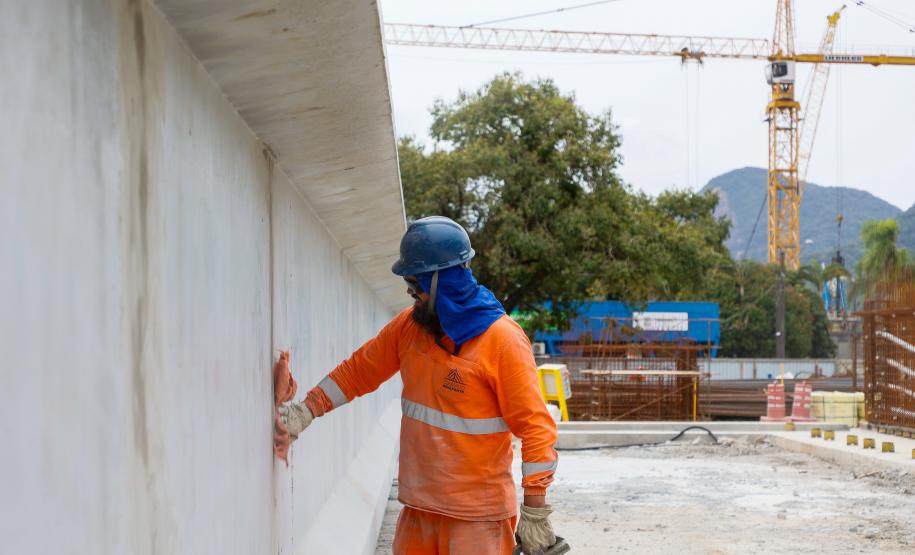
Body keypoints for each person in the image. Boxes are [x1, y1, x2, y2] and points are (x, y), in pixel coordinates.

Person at [279, 216, 559, 555]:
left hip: (476, 518)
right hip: (419, 510)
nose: (410, 292)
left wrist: (535, 511)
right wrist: (306, 410)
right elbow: (359, 371)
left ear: (442, 280)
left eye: (415, 283)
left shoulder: (502, 341)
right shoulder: (409, 328)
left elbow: (535, 427)